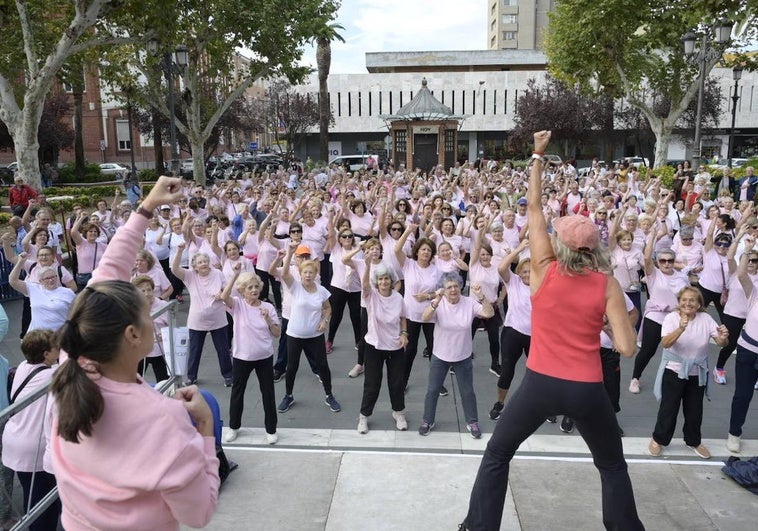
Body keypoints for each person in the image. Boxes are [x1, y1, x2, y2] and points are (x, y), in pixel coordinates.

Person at [461, 131, 642, 531]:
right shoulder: (607, 284)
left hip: (541, 383)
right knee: (611, 465)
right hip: (587, 387)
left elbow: (536, 209)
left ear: (559, 243)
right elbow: (628, 349)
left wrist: (538, 155)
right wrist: (600, 325)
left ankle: (479, 527)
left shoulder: (541, 268)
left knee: (497, 453)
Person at [49, 176, 219, 530]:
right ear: (132, 334)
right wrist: (204, 429)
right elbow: (198, 513)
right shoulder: (162, 418)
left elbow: (104, 278)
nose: (153, 314)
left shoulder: (72, 362)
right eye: (147, 311)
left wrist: (146, 209)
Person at [647, 287, 729, 459]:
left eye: (692, 300)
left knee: (694, 410)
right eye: (684, 299)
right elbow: (665, 343)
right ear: (679, 302)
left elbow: (721, 343)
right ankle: (658, 439)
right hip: (674, 370)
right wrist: (680, 329)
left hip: (697, 372)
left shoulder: (706, 318)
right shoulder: (671, 318)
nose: (688, 303)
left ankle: (694, 441)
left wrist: (723, 336)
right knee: (669, 408)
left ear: (699, 304)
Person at [418, 273, 494, 438]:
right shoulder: (439, 303)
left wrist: (481, 297)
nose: (453, 289)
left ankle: (472, 421)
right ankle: (427, 420)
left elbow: (489, 314)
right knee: (432, 390)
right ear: (443, 290)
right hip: (440, 354)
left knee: (467, 391)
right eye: (448, 287)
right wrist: (435, 301)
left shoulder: (469, 302)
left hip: (463, 355)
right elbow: (424, 318)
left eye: (455, 286)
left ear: (460, 286)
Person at [2, 329, 61, 531]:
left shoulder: (23, 367)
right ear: (46, 354)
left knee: (31, 494)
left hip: (15, 439)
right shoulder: (52, 374)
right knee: (43, 502)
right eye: (56, 348)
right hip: (33, 446)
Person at [219, 265, 281, 445]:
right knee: (237, 392)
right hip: (242, 357)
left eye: (256, 287)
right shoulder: (238, 305)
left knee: (268, 393)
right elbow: (224, 297)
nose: (254, 290)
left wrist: (268, 319)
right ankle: (234, 427)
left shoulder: (268, 306)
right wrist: (235, 275)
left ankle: (271, 429)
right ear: (242, 291)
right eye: (249, 287)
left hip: (264, 357)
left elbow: (276, 333)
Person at [278, 241, 342, 414]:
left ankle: (329, 395)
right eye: (305, 272)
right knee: (292, 367)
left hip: (314, 335)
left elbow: (328, 308)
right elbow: (284, 273)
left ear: (315, 274)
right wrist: (291, 253)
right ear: (300, 273)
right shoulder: (295, 287)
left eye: (311, 272)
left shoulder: (321, 290)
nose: (308, 275)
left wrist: (325, 320)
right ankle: (288, 395)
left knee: (323, 366)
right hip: (295, 334)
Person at [628, 230, 689, 394]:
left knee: (678, 349)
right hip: (655, 316)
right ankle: (635, 378)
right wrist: (653, 237)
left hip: (675, 317)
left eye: (670, 260)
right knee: (648, 350)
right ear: (658, 262)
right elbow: (647, 258)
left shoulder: (682, 277)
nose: (667, 264)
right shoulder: (653, 274)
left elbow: (688, 298)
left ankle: (677, 379)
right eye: (663, 261)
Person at [171, 244, 233, 387]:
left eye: (205, 261)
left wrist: (221, 295)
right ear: (195, 266)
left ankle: (228, 375)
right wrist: (180, 251)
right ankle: (191, 376)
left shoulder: (217, 273)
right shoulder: (190, 276)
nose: (203, 264)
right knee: (195, 350)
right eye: (199, 262)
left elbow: (226, 291)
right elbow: (174, 269)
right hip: (197, 320)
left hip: (218, 318)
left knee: (223, 349)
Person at [357, 261, 408, 434]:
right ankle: (363, 416)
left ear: (391, 280)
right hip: (374, 345)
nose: (384, 282)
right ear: (376, 282)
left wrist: (404, 334)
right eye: (380, 279)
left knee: (396, 382)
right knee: (372, 383)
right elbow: (364, 285)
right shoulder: (371, 296)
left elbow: (403, 317)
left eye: (386, 278)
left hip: (395, 346)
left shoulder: (398, 297)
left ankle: (399, 413)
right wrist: (365, 266)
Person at [726, 235, 758, 453]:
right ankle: (734, 433)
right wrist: (747, 250)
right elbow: (741, 273)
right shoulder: (753, 292)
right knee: (743, 395)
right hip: (748, 350)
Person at [9, 253, 76, 333]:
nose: (51, 280)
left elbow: (77, 312)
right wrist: (21, 262)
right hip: (38, 336)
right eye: (47, 278)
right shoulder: (33, 289)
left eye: (53, 277)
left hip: (60, 335)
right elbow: (13, 281)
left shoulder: (67, 292)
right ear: (40, 281)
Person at [131, 275, 171, 383]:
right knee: (134, 381)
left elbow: (172, 327)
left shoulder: (163, 305)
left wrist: (164, 334)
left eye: (149, 290)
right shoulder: (132, 307)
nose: (147, 293)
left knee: (163, 382)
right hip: (140, 350)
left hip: (159, 350)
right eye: (142, 291)